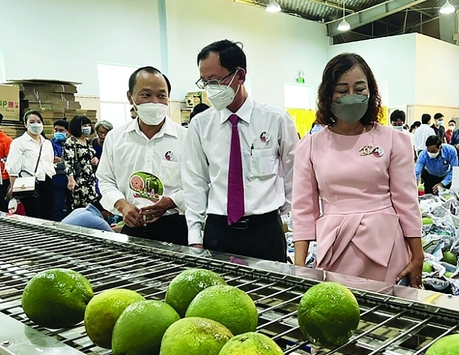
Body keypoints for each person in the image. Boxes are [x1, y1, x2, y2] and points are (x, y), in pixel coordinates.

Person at [292, 53, 424, 287]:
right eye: (342, 90)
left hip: (385, 247)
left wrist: (417, 254)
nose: (351, 97)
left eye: (359, 89)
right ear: (327, 95)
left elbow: (407, 201)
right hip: (334, 245)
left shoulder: (395, 140)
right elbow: (304, 209)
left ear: (371, 92)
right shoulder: (310, 146)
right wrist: (300, 266)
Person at [183, 40, 297, 261]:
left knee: (270, 294)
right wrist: (195, 235)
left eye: (216, 81)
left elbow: (295, 174)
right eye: (205, 82)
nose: (210, 89)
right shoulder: (200, 125)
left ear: (240, 76)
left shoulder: (276, 119)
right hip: (219, 230)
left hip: (265, 230)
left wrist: (284, 216)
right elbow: (195, 182)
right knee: (217, 294)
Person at [97, 66, 188, 245]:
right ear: (130, 97)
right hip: (132, 226)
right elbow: (105, 181)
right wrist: (122, 206)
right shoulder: (116, 138)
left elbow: (200, 184)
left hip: (175, 227)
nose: (154, 102)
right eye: (146, 95)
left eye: (161, 96)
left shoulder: (186, 138)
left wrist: (171, 201)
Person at [5, 110, 55, 219]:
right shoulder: (19, 142)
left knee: (47, 213)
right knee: (32, 214)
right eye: (32, 122)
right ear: (25, 124)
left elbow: (49, 162)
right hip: (27, 183)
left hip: (46, 181)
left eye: (38, 121)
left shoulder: (47, 143)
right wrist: (13, 186)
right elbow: (13, 165)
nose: (36, 124)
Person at [65, 115, 98, 210]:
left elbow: (90, 156)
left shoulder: (87, 141)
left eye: (88, 125)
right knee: (80, 208)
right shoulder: (71, 142)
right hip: (79, 180)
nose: (87, 127)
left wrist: (95, 160)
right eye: (84, 125)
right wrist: (71, 179)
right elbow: (68, 162)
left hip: (90, 180)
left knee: (92, 206)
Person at [51, 119, 71, 221]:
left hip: (71, 181)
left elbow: (74, 162)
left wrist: (62, 161)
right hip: (57, 180)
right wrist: (66, 162)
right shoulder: (50, 144)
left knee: (71, 206)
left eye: (61, 130)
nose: (58, 132)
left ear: (68, 132)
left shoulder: (72, 143)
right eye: (56, 130)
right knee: (57, 206)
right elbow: (52, 161)